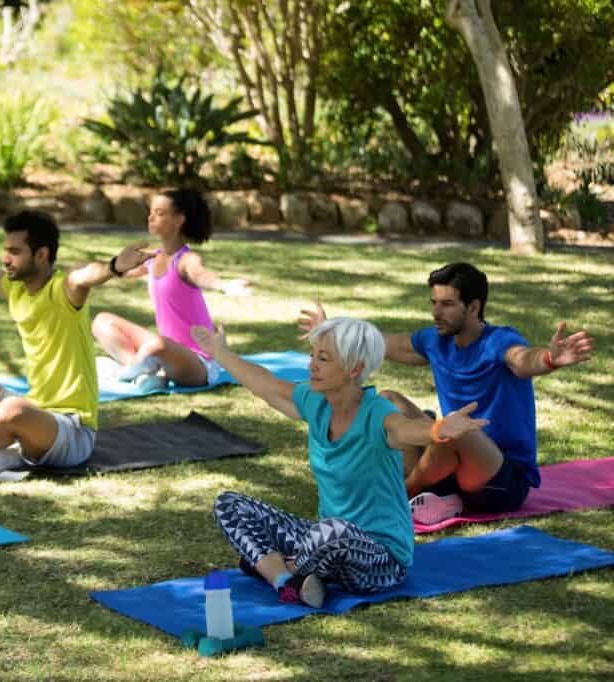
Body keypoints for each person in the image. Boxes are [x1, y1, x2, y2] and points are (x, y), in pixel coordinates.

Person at [193, 317, 486, 607]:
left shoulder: (376, 413)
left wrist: (437, 430)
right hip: (325, 545)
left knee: (333, 530)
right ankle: (286, 582)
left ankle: (279, 567)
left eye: (323, 358)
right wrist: (220, 353)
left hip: (380, 561)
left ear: (354, 368)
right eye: (313, 356)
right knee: (229, 504)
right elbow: (265, 384)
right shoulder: (315, 401)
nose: (312, 365)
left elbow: (404, 429)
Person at [298, 262, 594, 525]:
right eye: (434, 302)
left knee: (454, 429)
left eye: (448, 304)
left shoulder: (499, 341)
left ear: (474, 307)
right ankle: (439, 498)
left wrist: (550, 360)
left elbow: (522, 360)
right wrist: (330, 331)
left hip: (502, 481)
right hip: (453, 466)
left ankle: (400, 496)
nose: (436, 312)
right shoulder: (435, 341)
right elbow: (380, 343)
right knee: (388, 400)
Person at [0, 210, 151, 474]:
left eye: (15, 251)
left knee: (11, 409)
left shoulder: (64, 291)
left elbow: (84, 276)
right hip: (34, 407)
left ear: (41, 255)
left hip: (72, 430)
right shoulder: (15, 289)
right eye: (5, 250)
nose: (6, 259)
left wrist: (114, 266)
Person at [91, 189, 250, 392]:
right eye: (150, 211)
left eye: (159, 213)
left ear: (178, 220)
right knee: (102, 322)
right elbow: (118, 272)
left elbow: (201, 275)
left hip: (198, 362)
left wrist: (224, 285)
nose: (150, 217)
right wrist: (110, 265)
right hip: (164, 350)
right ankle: (145, 371)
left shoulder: (186, 260)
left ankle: (135, 370)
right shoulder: (152, 258)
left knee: (158, 345)